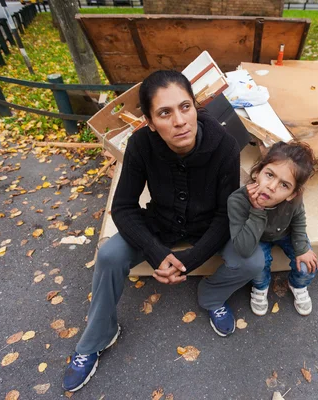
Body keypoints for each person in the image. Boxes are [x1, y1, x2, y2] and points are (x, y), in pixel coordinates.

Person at [62, 70, 240, 392]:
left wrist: (189, 260)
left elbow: (227, 215)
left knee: (251, 259)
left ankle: (213, 297)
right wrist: (158, 253)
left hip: (208, 228)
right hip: (162, 223)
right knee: (110, 254)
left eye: (185, 107)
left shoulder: (225, 146)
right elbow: (124, 207)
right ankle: (98, 337)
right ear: (149, 121)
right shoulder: (141, 144)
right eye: (164, 113)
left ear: (196, 106)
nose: (180, 121)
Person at [213, 141, 318, 321]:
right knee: (258, 266)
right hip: (257, 237)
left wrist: (302, 248)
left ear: (293, 194)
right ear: (257, 173)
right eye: (269, 175)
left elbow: (299, 218)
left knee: (308, 266)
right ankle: (261, 287)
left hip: (284, 233)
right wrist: (257, 210)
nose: (272, 186)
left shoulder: (293, 201)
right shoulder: (238, 200)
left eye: (284, 185)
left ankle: (297, 285)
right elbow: (244, 249)